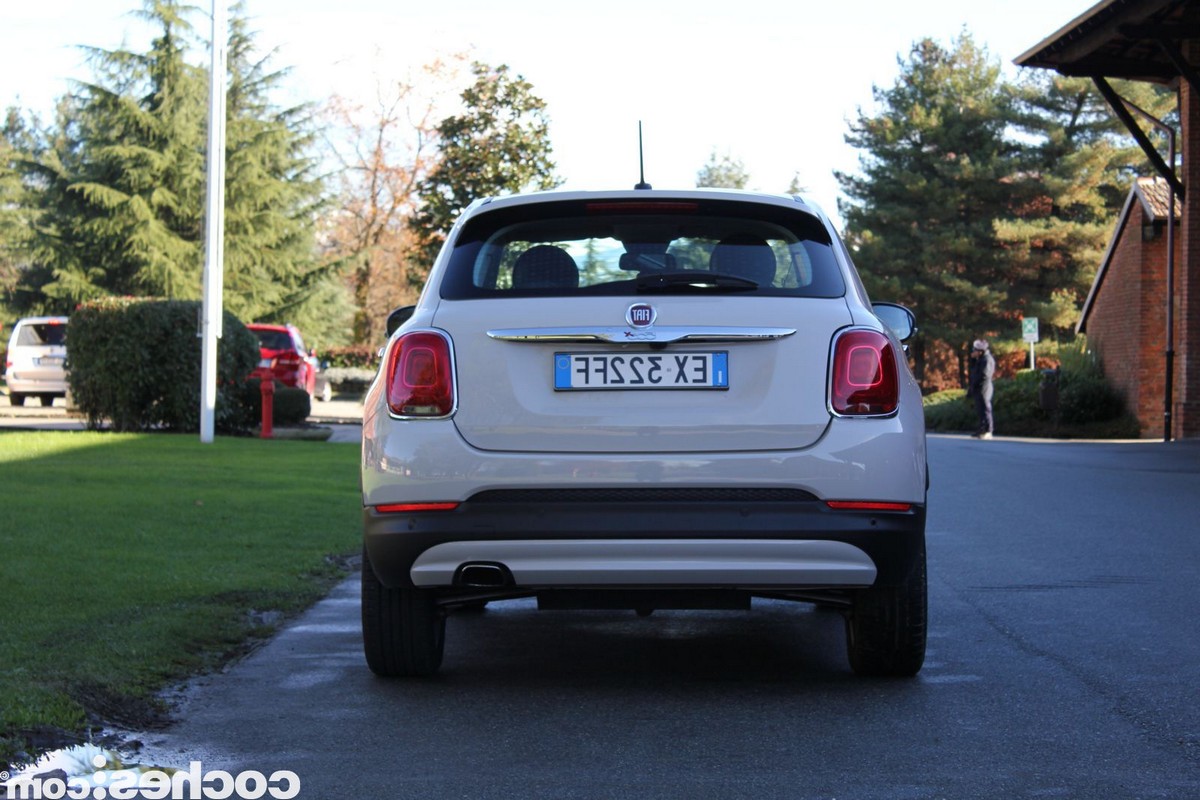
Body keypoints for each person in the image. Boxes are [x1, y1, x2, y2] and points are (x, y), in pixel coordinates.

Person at [967, 338, 995, 439]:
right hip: (978, 388)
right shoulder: (980, 360)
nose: (972, 352)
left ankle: (988, 430)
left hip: (984, 388)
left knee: (986, 409)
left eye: (974, 350)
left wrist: (976, 383)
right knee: (980, 410)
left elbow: (985, 375)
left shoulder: (987, 359)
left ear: (980, 351)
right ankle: (982, 430)